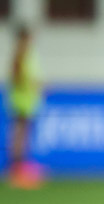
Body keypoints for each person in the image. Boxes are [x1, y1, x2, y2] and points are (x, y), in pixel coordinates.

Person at [7, 25, 43, 189]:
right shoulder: (21, 54)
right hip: (22, 101)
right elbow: (18, 78)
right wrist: (33, 85)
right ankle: (16, 170)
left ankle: (20, 168)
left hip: (27, 101)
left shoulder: (27, 54)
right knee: (20, 135)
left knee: (23, 134)